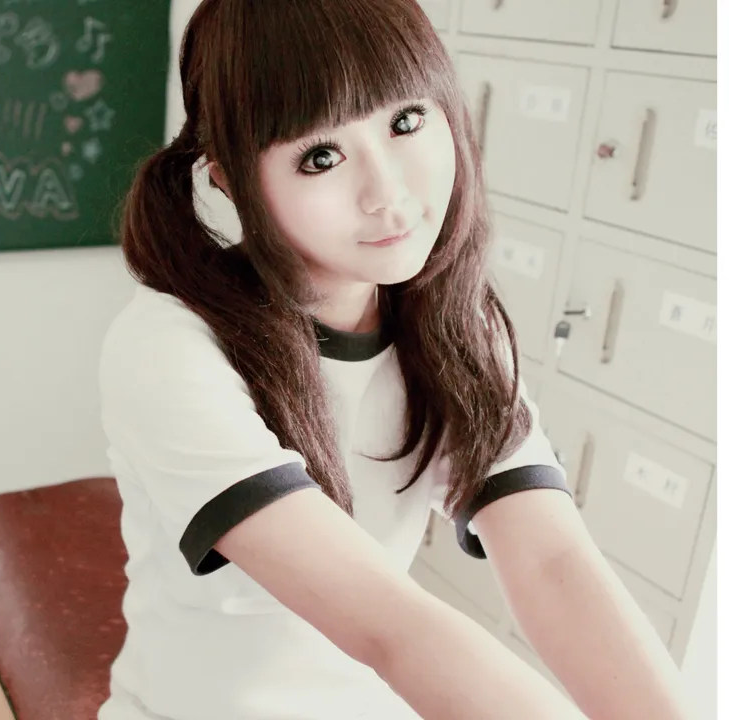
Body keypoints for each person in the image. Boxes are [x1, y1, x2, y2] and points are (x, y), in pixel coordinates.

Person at [96, 1, 694, 718]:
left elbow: (552, 562)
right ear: (229, 181)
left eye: (406, 121)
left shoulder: (453, 325)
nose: (388, 194)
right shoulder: (169, 348)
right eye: (321, 157)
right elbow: (389, 626)